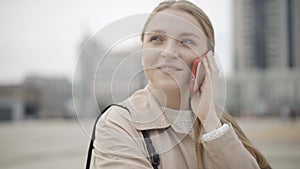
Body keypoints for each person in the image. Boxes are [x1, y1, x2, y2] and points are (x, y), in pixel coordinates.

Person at [92, 0, 271, 168]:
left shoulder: (220, 125)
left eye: (186, 42)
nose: (169, 52)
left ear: (208, 59)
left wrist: (210, 121)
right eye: (156, 39)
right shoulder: (117, 124)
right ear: (142, 51)